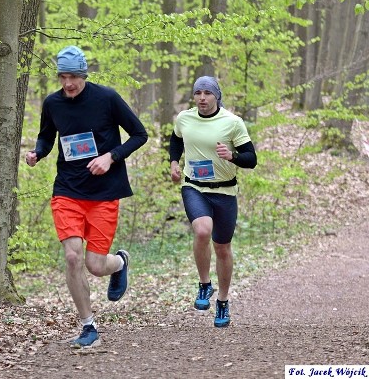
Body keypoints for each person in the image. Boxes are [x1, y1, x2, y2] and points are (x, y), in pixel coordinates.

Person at [25, 46, 148, 347]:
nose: (68, 83)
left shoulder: (106, 98)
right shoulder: (52, 103)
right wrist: (37, 152)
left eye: (74, 77)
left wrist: (111, 157)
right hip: (68, 190)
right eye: (63, 77)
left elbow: (139, 134)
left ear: (84, 75)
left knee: (95, 265)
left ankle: (119, 263)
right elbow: (47, 136)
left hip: (104, 193)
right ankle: (87, 325)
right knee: (71, 256)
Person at [168, 76, 257, 328]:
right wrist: (174, 163)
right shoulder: (184, 118)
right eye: (198, 93)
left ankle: (223, 301)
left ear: (216, 95)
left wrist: (232, 156)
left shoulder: (232, 122)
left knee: (222, 248)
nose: (202, 98)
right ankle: (205, 284)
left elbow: (251, 158)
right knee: (202, 229)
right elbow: (175, 140)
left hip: (225, 192)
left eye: (207, 93)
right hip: (194, 186)